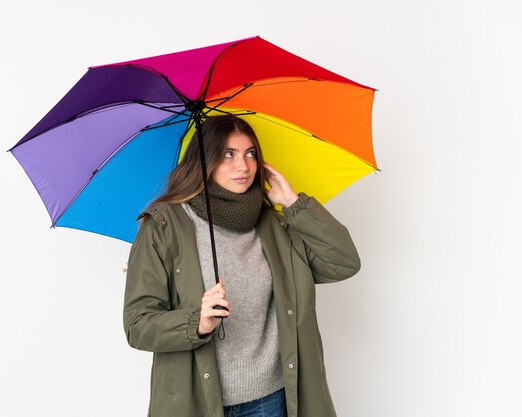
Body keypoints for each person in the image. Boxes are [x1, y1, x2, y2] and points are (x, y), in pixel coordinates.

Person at [123, 115, 361, 417]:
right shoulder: (163, 226)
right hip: (195, 403)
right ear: (204, 161)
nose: (244, 166)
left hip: (270, 400)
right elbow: (137, 325)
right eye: (228, 154)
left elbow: (343, 262)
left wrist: (293, 203)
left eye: (251, 154)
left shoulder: (274, 224)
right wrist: (196, 322)